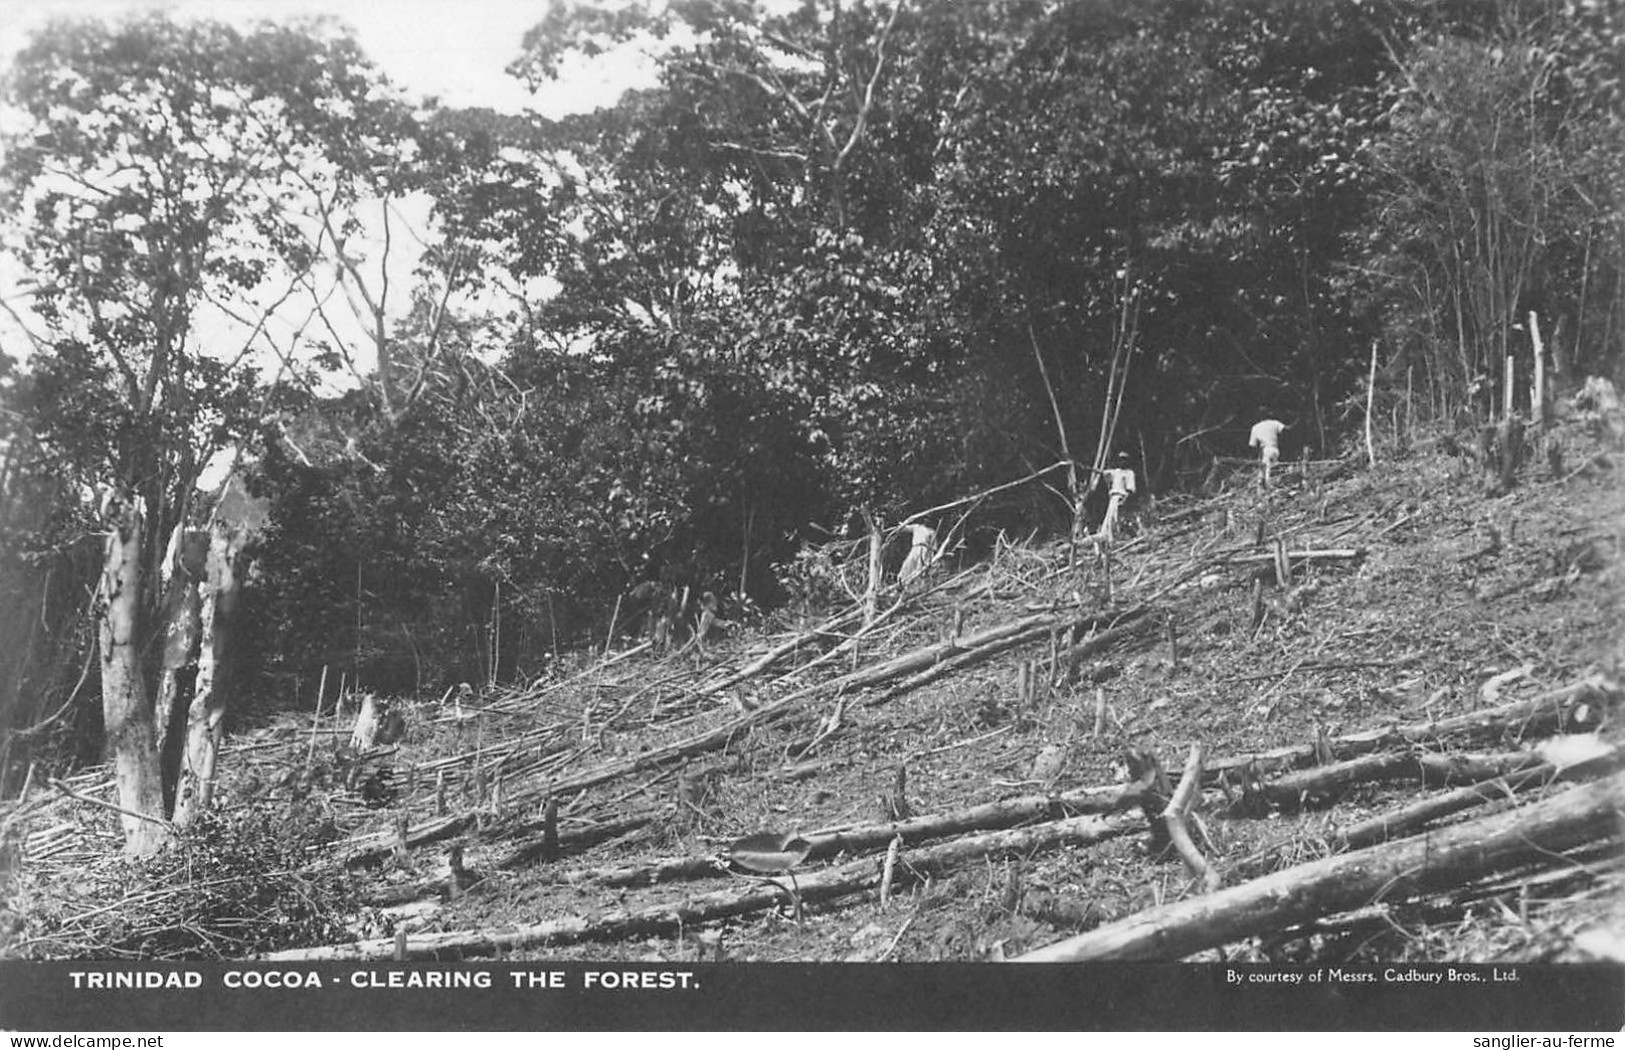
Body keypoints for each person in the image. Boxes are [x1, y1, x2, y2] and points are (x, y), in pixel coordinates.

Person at [1098, 452, 1137, 542]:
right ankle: (1109, 538)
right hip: (1113, 498)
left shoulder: (1129, 473)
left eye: (1124, 460)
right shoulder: (1116, 472)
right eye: (1120, 460)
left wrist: (1124, 500)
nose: (1122, 462)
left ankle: (1122, 537)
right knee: (1110, 518)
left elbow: (1130, 489)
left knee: (1118, 518)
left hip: (1121, 497)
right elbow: (1103, 473)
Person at [1248, 415, 1287, 488]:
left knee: (1266, 471)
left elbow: (1252, 445)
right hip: (1275, 449)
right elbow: (1285, 430)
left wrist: (1256, 456)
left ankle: (1267, 489)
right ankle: (1279, 483)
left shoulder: (1256, 427)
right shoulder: (1274, 423)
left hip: (1265, 450)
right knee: (1275, 469)